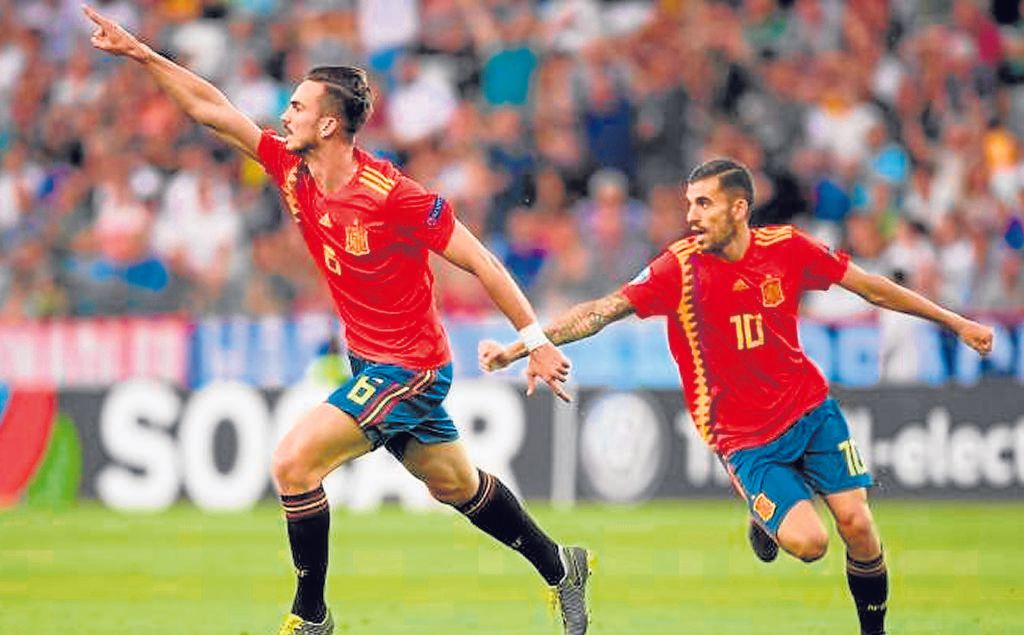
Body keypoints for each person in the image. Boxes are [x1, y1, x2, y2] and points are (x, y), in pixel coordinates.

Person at [82, 6, 592, 635]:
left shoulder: (393, 195)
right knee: (456, 487)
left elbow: (482, 260)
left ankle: (311, 617)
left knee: (294, 463)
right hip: (369, 359)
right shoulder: (293, 169)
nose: (284, 114)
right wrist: (141, 53)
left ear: (328, 123)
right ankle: (562, 568)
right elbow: (210, 109)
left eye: (296, 106)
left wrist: (535, 341)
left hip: (410, 367)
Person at [480, 159, 995, 635]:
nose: (691, 216)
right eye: (688, 204)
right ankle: (761, 511)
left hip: (811, 409)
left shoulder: (787, 248)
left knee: (858, 524)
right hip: (744, 438)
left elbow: (871, 288)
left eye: (703, 203)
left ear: (738, 207)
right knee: (811, 545)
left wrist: (954, 321)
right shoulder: (677, 269)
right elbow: (601, 310)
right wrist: (527, 344)